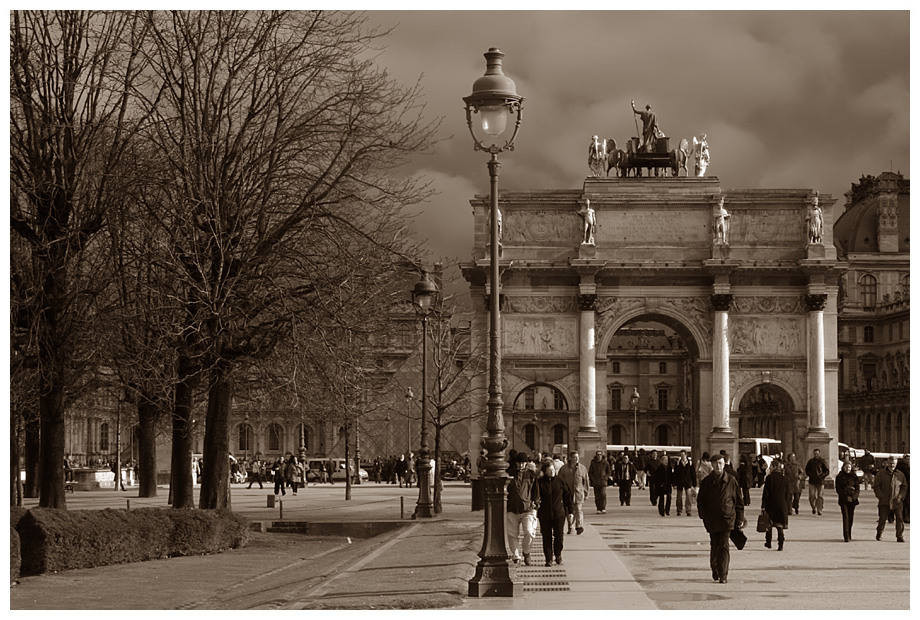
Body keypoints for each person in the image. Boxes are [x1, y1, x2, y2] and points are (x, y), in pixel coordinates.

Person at [697, 453, 745, 584]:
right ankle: (715, 568)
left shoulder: (731, 480)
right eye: (716, 464)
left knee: (724, 546)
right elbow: (700, 500)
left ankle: (723, 574)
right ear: (712, 465)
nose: (719, 466)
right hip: (711, 519)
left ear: (724, 464)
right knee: (714, 544)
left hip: (727, 518)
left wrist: (740, 518)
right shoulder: (707, 482)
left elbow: (739, 501)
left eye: (721, 464)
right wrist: (703, 515)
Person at [536, 458, 572, 566]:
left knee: (559, 536)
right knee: (546, 537)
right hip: (544, 514)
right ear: (545, 471)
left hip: (559, 513)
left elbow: (567, 497)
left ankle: (558, 554)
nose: (552, 472)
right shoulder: (540, 482)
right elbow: (536, 496)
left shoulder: (560, 481)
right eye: (549, 471)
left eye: (553, 470)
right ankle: (548, 558)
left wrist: (570, 511)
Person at [506, 453, 540, 565]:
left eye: (522, 463)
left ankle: (526, 551)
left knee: (529, 532)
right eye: (519, 463)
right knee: (512, 534)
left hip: (528, 508)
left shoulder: (531, 475)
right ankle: (516, 555)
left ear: (526, 463)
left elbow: (536, 490)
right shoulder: (510, 475)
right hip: (512, 508)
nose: (521, 465)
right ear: (516, 463)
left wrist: (536, 502)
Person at [873, 455, 908, 542]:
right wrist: (879, 495)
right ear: (887, 463)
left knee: (899, 519)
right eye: (891, 463)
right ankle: (879, 532)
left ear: (896, 464)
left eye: (894, 464)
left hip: (897, 501)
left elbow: (904, 487)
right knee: (882, 519)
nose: (892, 465)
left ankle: (899, 535)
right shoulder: (881, 474)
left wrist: (901, 496)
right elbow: (876, 485)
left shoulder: (900, 474)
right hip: (884, 500)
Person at [559, 450, 589, 535]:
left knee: (578, 510)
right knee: (569, 512)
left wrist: (586, 493)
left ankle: (579, 526)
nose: (577, 459)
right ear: (570, 458)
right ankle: (570, 526)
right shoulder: (564, 469)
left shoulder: (582, 468)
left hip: (578, 493)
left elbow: (586, 481)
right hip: (567, 494)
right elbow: (559, 481)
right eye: (575, 457)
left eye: (578, 457)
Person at [761, 460, 789, 550]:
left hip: (771, 503)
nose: (770, 468)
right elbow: (788, 494)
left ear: (774, 467)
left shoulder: (769, 478)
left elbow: (766, 493)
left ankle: (768, 542)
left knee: (769, 524)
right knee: (779, 525)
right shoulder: (785, 478)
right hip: (782, 504)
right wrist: (787, 504)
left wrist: (763, 505)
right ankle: (780, 544)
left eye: (771, 466)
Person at [835, 460, 860, 542]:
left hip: (853, 500)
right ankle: (846, 535)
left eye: (849, 467)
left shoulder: (854, 476)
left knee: (851, 517)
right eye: (846, 467)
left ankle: (849, 533)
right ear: (843, 467)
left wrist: (853, 497)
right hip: (844, 500)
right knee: (845, 517)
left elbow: (857, 489)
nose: (848, 469)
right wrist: (846, 497)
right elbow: (838, 489)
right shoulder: (839, 476)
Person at [805, 448, 830, 515]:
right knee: (812, 496)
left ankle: (819, 509)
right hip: (812, 481)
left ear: (819, 453)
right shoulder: (810, 461)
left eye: (817, 453)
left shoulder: (823, 461)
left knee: (820, 496)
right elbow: (807, 470)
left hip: (820, 481)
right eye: (815, 453)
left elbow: (827, 471)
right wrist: (810, 475)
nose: (816, 455)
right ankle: (813, 507)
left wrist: (821, 476)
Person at [673, 450, 697, 517]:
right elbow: (675, 474)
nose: (682, 456)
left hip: (687, 482)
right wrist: (674, 483)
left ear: (686, 455)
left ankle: (688, 510)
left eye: (683, 454)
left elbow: (693, 474)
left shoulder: (690, 463)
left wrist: (694, 484)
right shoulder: (677, 463)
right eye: (681, 455)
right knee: (679, 497)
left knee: (688, 497)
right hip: (679, 482)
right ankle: (679, 510)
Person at [652, 452, 674, 517]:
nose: (666, 462)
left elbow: (671, 477)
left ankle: (667, 510)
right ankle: (661, 511)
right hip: (661, 485)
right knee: (662, 498)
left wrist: (672, 483)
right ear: (662, 461)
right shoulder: (659, 468)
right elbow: (656, 478)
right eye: (665, 460)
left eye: (667, 460)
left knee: (669, 497)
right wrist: (660, 484)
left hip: (668, 485)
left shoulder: (669, 468)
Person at [895, 454, 909, 524]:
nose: (908, 461)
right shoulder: (902, 467)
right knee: (905, 502)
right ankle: (905, 517)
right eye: (907, 459)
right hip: (904, 486)